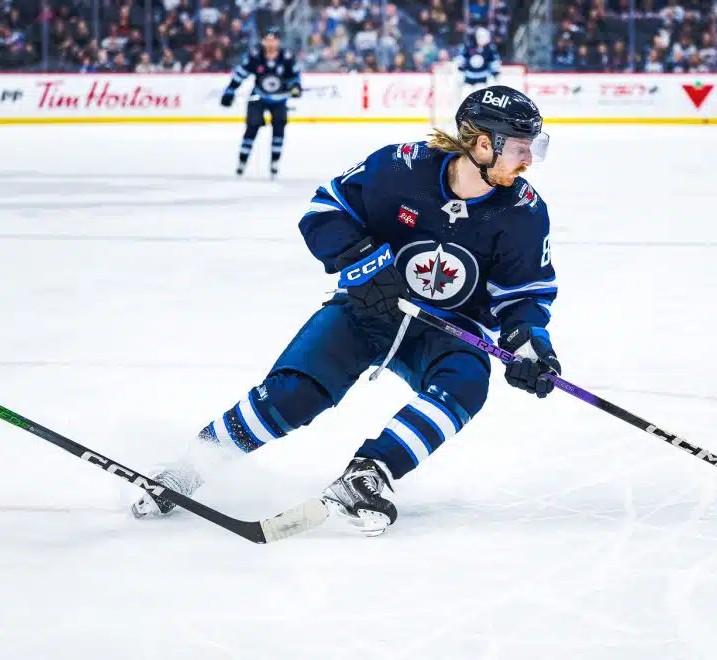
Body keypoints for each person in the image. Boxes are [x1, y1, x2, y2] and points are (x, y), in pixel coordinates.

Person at [132, 86, 559, 537]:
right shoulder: (400, 167)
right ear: (483, 144)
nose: (528, 159)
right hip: (367, 308)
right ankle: (187, 470)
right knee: (292, 395)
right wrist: (365, 264)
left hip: (449, 328)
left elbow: (525, 296)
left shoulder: (524, 213)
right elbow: (325, 210)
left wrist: (531, 346)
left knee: (465, 383)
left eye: (533, 147)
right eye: (520, 147)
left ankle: (368, 475)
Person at [220, 27, 301, 178]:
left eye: (273, 40)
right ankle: (242, 161)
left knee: (279, 126)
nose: (270, 43)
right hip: (259, 96)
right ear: (263, 41)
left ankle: (274, 162)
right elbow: (240, 75)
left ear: (278, 41)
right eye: (267, 40)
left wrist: (296, 87)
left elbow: (294, 77)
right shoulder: (255, 56)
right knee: (252, 126)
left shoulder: (287, 57)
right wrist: (230, 91)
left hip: (279, 98)